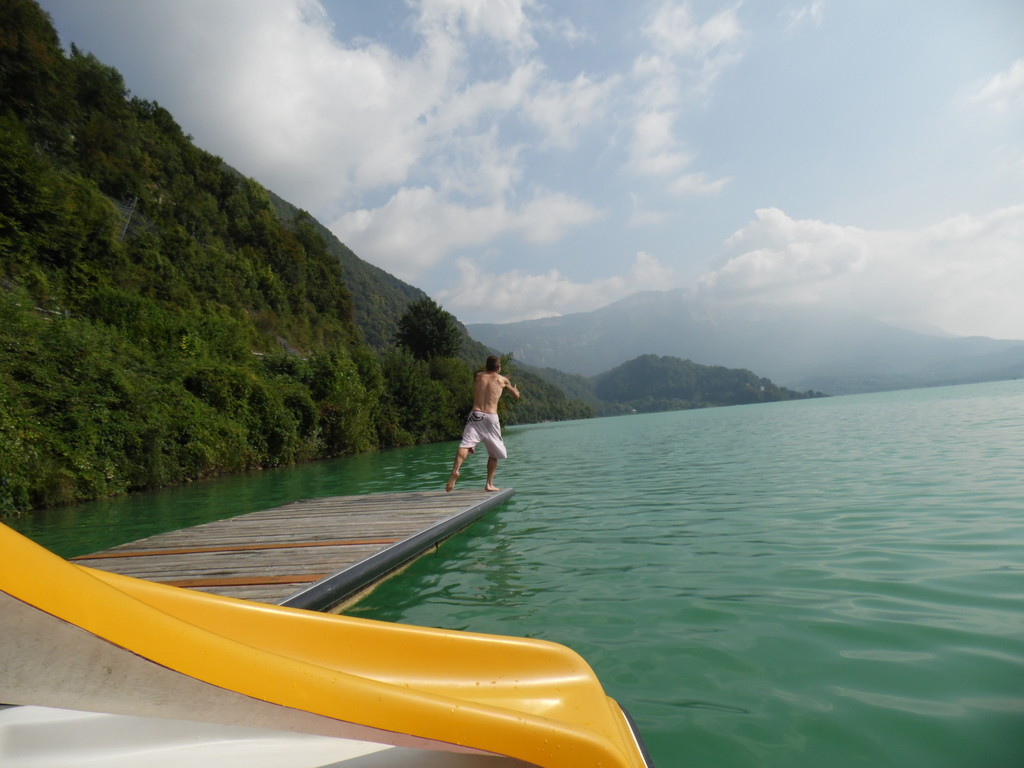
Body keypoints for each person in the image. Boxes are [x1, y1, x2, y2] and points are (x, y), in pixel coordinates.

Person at [446, 355, 520, 492]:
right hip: (491, 417)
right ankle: (489, 484)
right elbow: (516, 396)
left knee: (466, 444)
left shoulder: (479, 376)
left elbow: (488, 379)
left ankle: (456, 470)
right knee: (493, 452)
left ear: (486, 366)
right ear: (498, 367)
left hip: (475, 415)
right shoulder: (502, 380)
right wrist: (512, 387)